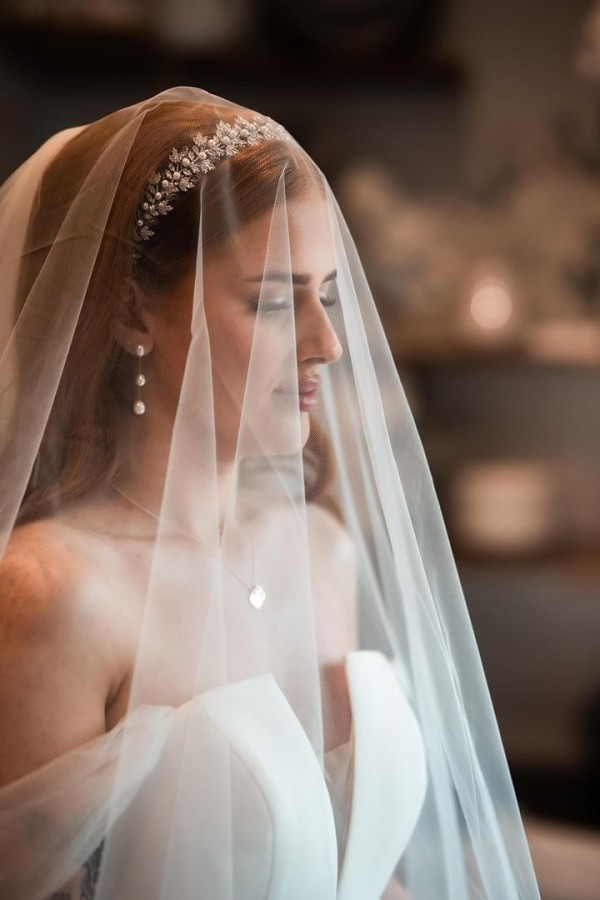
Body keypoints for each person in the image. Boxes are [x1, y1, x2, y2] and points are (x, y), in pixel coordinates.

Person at [0, 86, 540, 899]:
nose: (328, 343)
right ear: (130, 312)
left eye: (325, 294)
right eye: (275, 301)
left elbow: (362, 870)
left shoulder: (320, 546)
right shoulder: (56, 595)